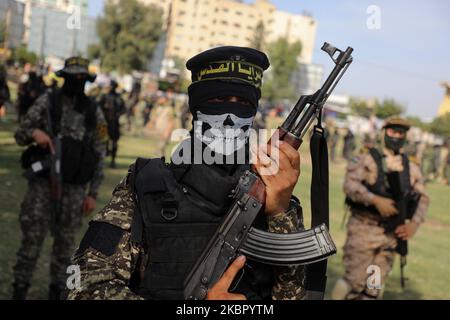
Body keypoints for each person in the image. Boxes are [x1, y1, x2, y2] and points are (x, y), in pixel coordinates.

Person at [68, 46, 305, 300]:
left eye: (244, 104)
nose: (230, 116)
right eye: (218, 101)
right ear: (196, 108)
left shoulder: (272, 198)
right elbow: (84, 288)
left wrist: (280, 214)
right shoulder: (145, 186)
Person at [12, 57, 107, 300]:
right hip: (43, 185)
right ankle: (19, 290)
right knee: (31, 243)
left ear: (86, 80)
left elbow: (100, 150)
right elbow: (21, 132)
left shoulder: (94, 111)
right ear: (62, 77)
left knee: (65, 249)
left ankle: (56, 293)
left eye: (81, 78)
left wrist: (93, 193)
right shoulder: (48, 101)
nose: (76, 82)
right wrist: (35, 133)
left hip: (75, 191)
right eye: (71, 77)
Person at [331, 117, 430, 300]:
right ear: (384, 132)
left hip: (390, 236)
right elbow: (350, 185)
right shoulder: (366, 158)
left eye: (401, 132)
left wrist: (414, 224)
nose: (396, 136)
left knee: (373, 286)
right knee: (353, 281)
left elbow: (423, 198)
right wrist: (375, 200)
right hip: (363, 229)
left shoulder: (411, 166)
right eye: (393, 131)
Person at [98, 79, 126, 168]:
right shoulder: (104, 96)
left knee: (114, 142)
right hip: (104, 123)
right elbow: (98, 107)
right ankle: (101, 159)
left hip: (114, 123)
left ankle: (112, 161)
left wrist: (118, 114)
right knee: (102, 141)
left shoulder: (119, 98)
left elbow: (123, 109)